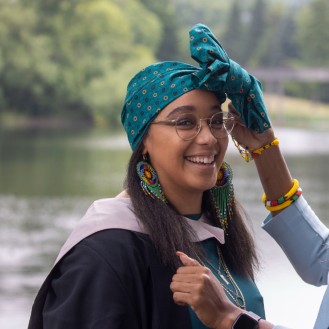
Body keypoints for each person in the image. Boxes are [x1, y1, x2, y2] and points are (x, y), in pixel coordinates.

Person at [27, 23, 291, 328]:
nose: (208, 138)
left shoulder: (218, 230)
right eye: (185, 122)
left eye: (216, 120)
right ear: (144, 143)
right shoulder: (106, 252)